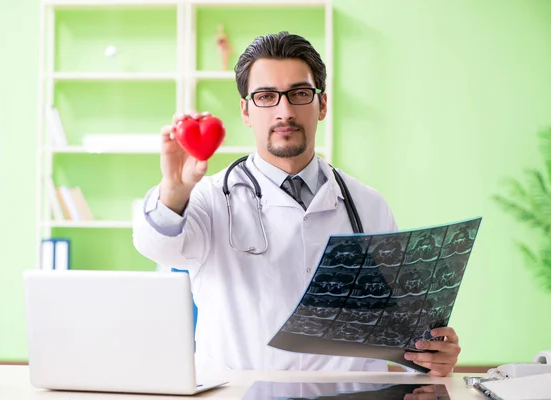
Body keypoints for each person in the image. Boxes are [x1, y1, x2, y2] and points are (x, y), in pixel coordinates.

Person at [132, 31, 461, 376]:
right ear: (245, 110)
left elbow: (402, 331)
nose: (284, 111)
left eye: (300, 94)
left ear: (322, 105)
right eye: (266, 96)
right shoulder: (212, 199)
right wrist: (174, 187)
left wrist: (431, 356)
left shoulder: (368, 205)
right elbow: (157, 247)